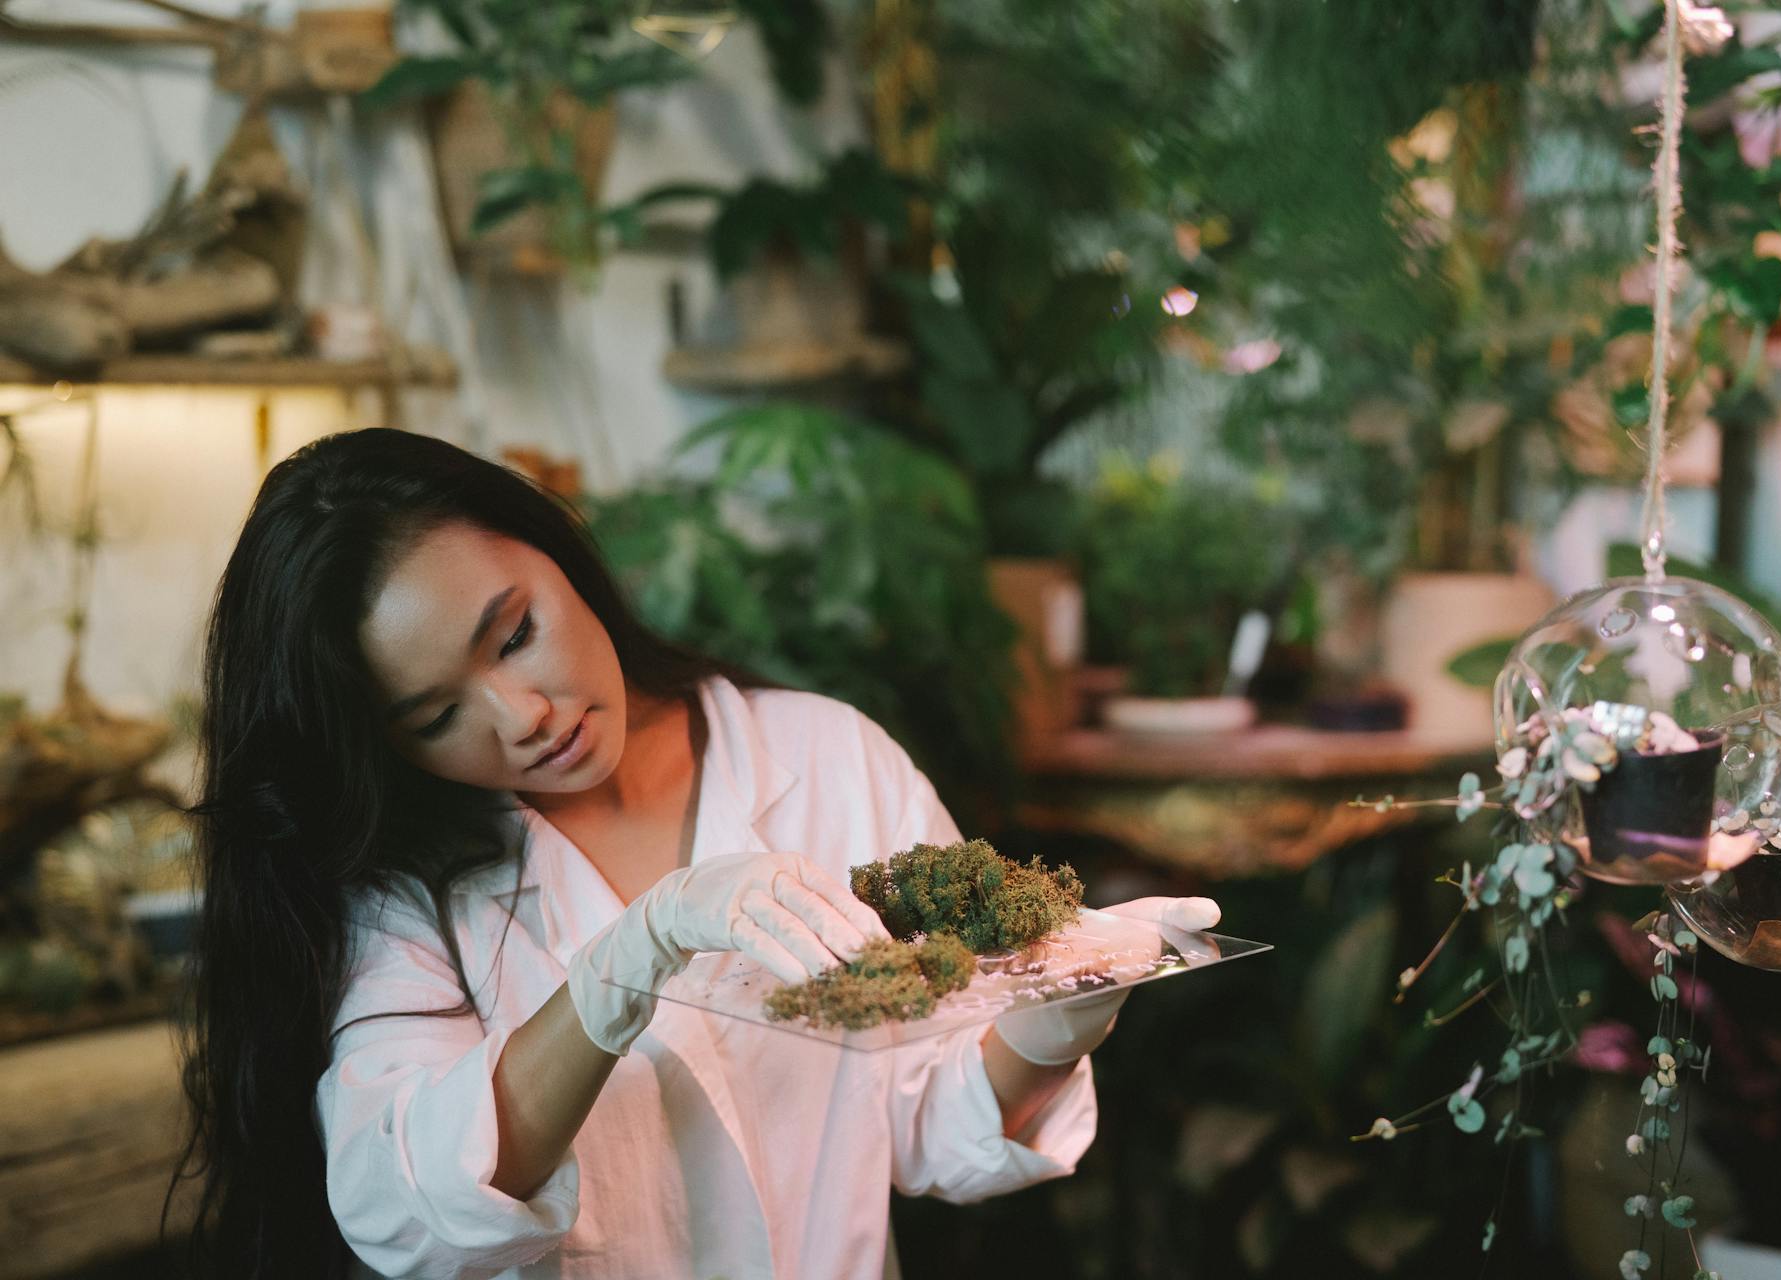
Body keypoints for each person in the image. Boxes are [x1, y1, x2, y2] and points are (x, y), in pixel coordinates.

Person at [175, 428, 1218, 1279]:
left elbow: (933, 1126)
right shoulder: (406, 891)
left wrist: (1057, 1014)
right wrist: (624, 963)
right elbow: (406, 1208)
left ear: (557, 549)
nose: (523, 714)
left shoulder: (822, 754)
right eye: (439, 712)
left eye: (515, 633)